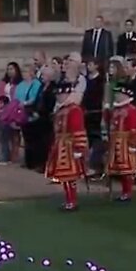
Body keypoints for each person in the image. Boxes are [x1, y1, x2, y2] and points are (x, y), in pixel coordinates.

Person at [45, 80, 88, 211]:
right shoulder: (62, 109)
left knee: (70, 176)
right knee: (64, 177)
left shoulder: (74, 110)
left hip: (70, 146)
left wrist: (79, 148)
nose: (58, 97)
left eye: (61, 94)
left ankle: (72, 201)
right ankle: (69, 199)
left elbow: (78, 129)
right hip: (61, 145)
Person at [105, 84, 136, 202]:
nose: (116, 96)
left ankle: (128, 192)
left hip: (126, 142)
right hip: (116, 142)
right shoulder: (116, 110)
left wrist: (133, 143)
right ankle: (124, 192)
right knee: (119, 169)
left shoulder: (132, 110)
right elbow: (110, 123)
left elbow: (135, 128)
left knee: (127, 169)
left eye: (119, 94)